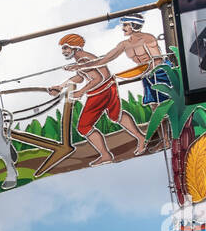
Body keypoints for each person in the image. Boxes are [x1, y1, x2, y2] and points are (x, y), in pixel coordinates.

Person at [48, 34, 148, 166]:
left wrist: (81, 92)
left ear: (74, 46)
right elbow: (81, 77)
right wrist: (61, 86)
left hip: (99, 92)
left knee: (84, 127)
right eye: (63, 49)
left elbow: (97, 78)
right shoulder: (82, 58)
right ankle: (141, 138)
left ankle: (106, 155)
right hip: (109, 87)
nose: (64, 51)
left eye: (66, 48)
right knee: (116, 115)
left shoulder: (83, 59)